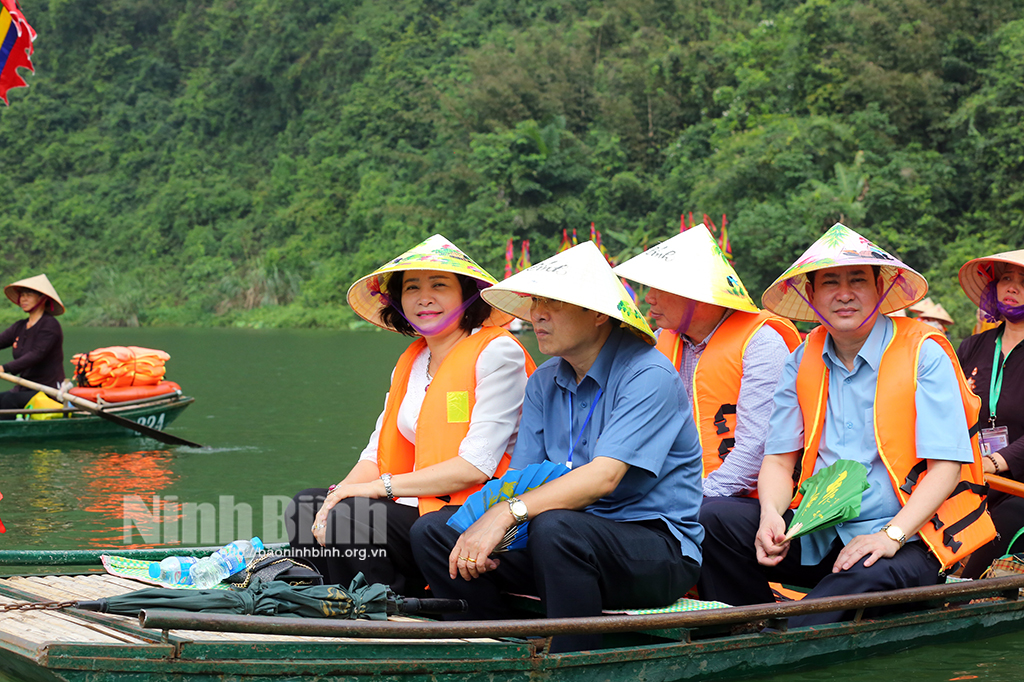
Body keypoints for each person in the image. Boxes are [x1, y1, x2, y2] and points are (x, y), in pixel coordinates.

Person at [411, 241, 704, 653]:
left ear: (599, 313)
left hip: (652, 548)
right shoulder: (544, 381)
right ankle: (499, 646)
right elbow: (521, 481)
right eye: (535, 303)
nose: (537, 316)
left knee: (555, 528)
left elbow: (604, 477)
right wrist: (494, 525)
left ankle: (574, 658)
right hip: (557, 540)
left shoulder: (648, 373)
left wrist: (505, 514)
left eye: (554, 304)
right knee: (434, 531)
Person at [697, 223, 994, 625]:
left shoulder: (924, 353)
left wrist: (890, 536)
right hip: (818, 532)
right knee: (712, 518)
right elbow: (779, 461)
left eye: (858, 280)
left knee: (840, 593)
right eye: (830, 282)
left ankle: (794, 630)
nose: (844, 293)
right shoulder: (801, 359)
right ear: (811, 295)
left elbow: (945, 468)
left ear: (880, 289)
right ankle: (747, 624)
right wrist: (770, 514)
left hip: (908, 538)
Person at [285, 235, 534, 595]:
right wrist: (335, 497)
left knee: (352, 517)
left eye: (439, 285)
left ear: (467, 295)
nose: (424, 297)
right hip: (414, 505)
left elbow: (476, 464)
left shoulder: (496, 353)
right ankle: (327, 605)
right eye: (412, 287)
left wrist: (372, 491)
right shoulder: (413, 361)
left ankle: (384, 606)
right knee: (307, 507)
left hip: (473, 511)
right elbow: (376, 453)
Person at [614, 226, 800, 497]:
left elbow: (755, 449)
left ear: (698, 296)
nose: (648, 298)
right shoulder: (656, 344)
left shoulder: (762, 344)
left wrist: (691, 499)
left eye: (659, 288)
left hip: (740, 500)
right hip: (670, 493)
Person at [957, 249, 1024, 578]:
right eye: (1006, 278)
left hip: (1017, 484)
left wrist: (996, 462)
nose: (1012, 286)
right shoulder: (972, 346)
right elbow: (947, 411)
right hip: (969, 476)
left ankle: (958, 595)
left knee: (1006, 518)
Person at [0, 274, 66, 419]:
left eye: (28, 295)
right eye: (22, 295)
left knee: (8, 401)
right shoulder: (20, 326)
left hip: (48, 391)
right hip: (24, 388)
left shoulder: (50, 325)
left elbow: (36, 355)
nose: (23, 299)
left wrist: (4, 368)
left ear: (42, 298)